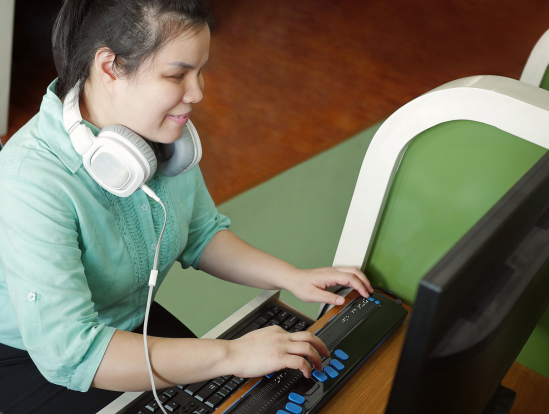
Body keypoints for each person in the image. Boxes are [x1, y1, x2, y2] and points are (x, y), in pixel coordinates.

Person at [0, 1, 373, 413]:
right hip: (35, 356)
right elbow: (73, 352)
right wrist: (231, 354)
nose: (197, 93)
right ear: (110, 67)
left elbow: (201, 232)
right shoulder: (28, 179)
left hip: (127, 323)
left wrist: (293, 276)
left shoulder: (159, 138)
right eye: (177, 75)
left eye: (199, 72)